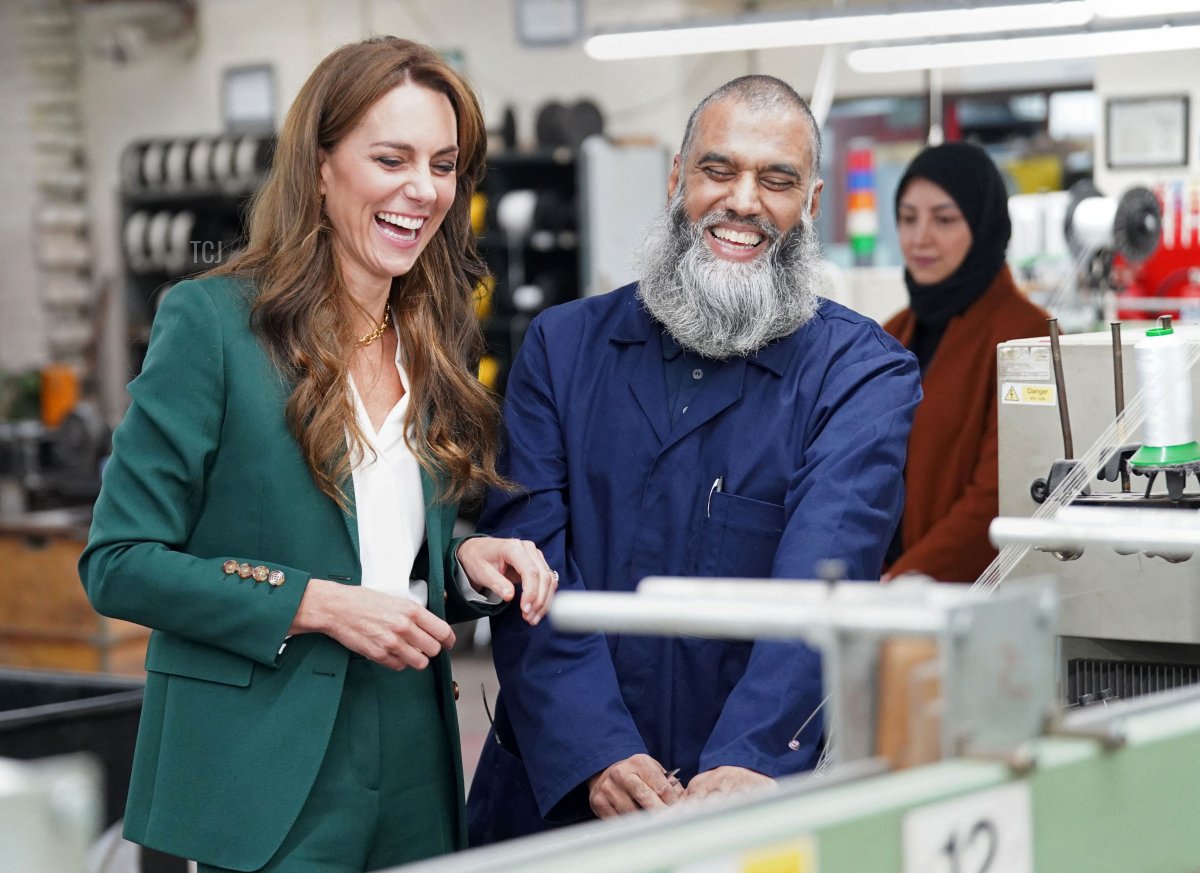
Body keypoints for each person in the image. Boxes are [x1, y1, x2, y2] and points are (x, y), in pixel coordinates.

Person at [80, 37, 557, 873]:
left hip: (413, 753)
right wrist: (317, 604)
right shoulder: (212, 324)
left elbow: (390, 556)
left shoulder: (430, 337)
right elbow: (119, 562)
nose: (423, 188)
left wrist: (469, 564)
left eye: (443, 164)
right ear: (322, 166)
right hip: (257, 769)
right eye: (391, 157)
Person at [466, 75, 921, 843]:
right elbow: (530, 565)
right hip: (554, 791)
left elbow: (824, 581)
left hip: (744, 800)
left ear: (809, 205)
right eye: (718, 170)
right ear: (678, 181)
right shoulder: (564, 348)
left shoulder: (862, 375)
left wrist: (747, 758)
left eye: (776, 180)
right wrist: (597, 749)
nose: (743, 201)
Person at [882, 143, 1049, 583]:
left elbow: (1002, 496)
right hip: (877, 590)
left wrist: (901, 584)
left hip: (968, 601)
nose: (920, 238)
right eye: (907, 217)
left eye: (944, 219)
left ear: (983, 223)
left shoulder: (1029, 337)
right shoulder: (889, 334)